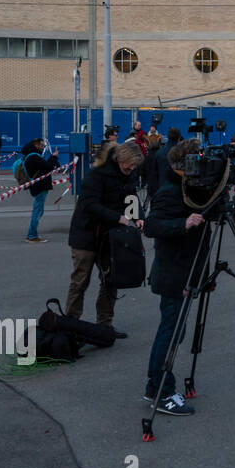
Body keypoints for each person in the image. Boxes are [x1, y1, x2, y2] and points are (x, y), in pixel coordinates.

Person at [142, 139, 209, 416]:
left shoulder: (185, 188)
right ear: (184, 164)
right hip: (175, 273)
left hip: (184, 270)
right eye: (197, 160)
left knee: (173, 331)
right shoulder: (170, 191)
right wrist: (184, 223)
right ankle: (162, 392)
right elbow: (152, 226)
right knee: (170, 333)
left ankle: (153, 385)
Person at [66, 141, 143, 336]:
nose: (132, 169)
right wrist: (117, 217)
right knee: (80, 281)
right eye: (129, 165)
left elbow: (131, 197)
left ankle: (105, 324)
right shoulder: (97, 175)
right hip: (86, 234)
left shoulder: (130, 174)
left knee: (112, 279)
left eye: (135, 166)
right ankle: (70, 324)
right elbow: (89, 204)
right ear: (119, 159)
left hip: (111, 237)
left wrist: (138, 216)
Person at [22, 138, 60, 242]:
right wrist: (54, 157)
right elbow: (48, 167)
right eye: (42, 145)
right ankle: (32, 235)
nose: (43, 147)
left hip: (38, 186)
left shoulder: (31, 156)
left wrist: (52, 158)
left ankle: (32, 234)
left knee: (39, 210)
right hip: (39, 186)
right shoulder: (34, 157)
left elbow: (44, 167)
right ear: (36, 145)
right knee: (37, 211)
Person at [141, 132, 164, 198]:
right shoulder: (162, 156)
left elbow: (143, 173)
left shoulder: (146, 158)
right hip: (161, 186)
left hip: (151, 186)